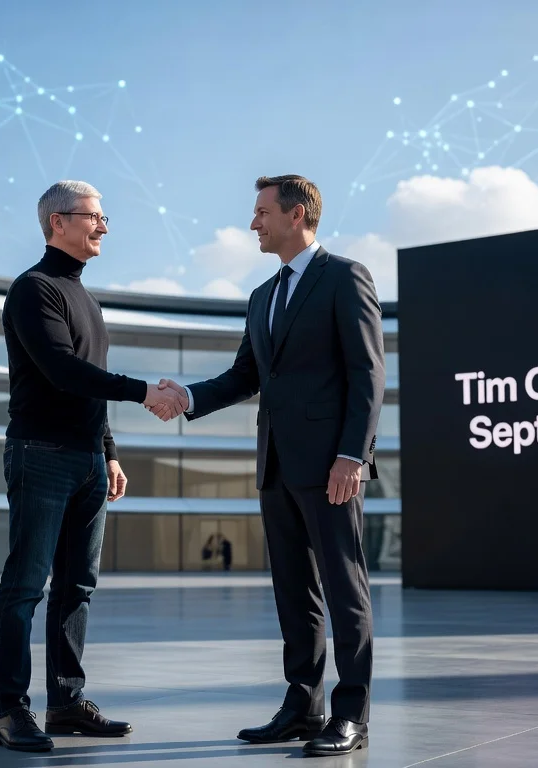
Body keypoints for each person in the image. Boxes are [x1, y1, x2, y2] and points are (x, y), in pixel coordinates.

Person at [158, 174, 385, 757]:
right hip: (276, 467)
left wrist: (351, 455)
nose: (252, 223)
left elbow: (367, 374)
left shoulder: (345, 276)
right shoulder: (262, 297)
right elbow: (244, 377)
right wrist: (187, 397)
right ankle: (302, 705)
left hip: (332, 466)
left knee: (344, 589)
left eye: (261, 212)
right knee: (295, 591)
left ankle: (352, 712)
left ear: (298, 213)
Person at [0, 180, 186, 753]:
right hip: (41, 455)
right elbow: (61, 371)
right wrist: (144, 390)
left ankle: (66, 702)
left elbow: (88, 386)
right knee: (26, 586)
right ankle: (9, 711)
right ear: (57, 222)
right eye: (94, 217)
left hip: (86, 461)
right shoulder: (34, 289)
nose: (103, 227)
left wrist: (108, 450)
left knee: (77, 586)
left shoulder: (85, 298)